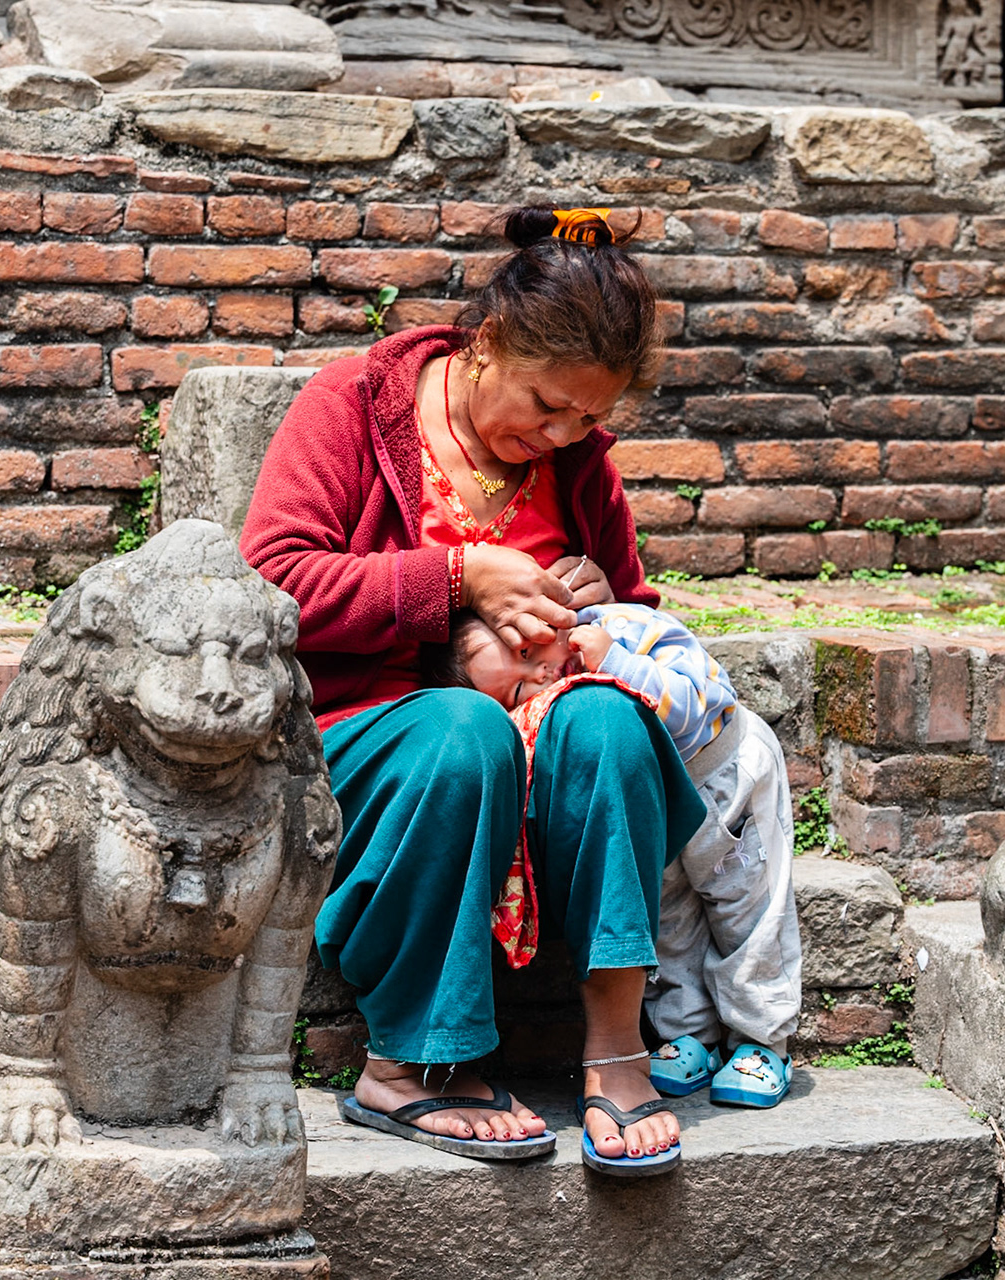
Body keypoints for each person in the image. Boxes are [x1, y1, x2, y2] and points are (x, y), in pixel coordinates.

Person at [240, 206, 706, 1175]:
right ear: (487, 344)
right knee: (462, 728)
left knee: (610, 722)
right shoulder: (355, 405)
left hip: (539, 727)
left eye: (589, 415)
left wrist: (598, 602)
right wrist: (458, 579)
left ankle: (616, 1045)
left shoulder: (577, 460)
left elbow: (634, 610)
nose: (563, 433)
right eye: (546, 403)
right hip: (376, 734)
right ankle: (415, 1062)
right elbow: (275, 579)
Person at [421, 600, 803, 1109]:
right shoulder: (552, 706)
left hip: (726, 779)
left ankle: (762, 1039)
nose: (541, 672)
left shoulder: (626, 629)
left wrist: (617, 666)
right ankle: (690, 1034)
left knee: (747, 910)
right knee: (667, 922)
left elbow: (704, 700)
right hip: (655, 798)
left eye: (528, 649)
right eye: (518, 689)